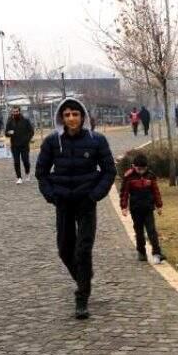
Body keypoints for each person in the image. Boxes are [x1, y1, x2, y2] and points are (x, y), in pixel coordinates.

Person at [35, 98, 116, 320]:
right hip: (63, 202)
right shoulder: (52, 142)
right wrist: (50, 195)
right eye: (67, 114)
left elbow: (109, 171)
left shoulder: (96, 140)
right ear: (61, 117)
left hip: (86, 202)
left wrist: (95, 194)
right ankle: (84, 276)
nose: (71, 118)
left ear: (83, 117)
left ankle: (82, 297)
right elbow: (41, 171)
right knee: (64, 249)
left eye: (75, 114)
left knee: (83, 248)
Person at [119, 154, 167, 264]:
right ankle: (141, 251)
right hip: (136, 209)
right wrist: (124, 207)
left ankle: (157, 252)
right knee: (139, 231)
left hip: (148, 208)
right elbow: (124, 193)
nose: (141, 171)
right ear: (133, 166)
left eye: (143, 169)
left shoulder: (150, 176)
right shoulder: (129, 177)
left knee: (152, 231)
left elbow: (156, 191)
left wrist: (159, 205)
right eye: (139, 169)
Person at [5, 106, 35, 184]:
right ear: (12, 112)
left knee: (25, 160)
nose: (15, 113)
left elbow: (31, 131)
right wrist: (9, 133)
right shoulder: (10, 121)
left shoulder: (25, 120)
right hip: (14, 145)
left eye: (16, 111)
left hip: (24, 145)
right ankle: (19, 177)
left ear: (19, 112)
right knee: (16, 162)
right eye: (14, 112)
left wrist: (27, 139)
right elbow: (6, 133)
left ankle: (27, 173)